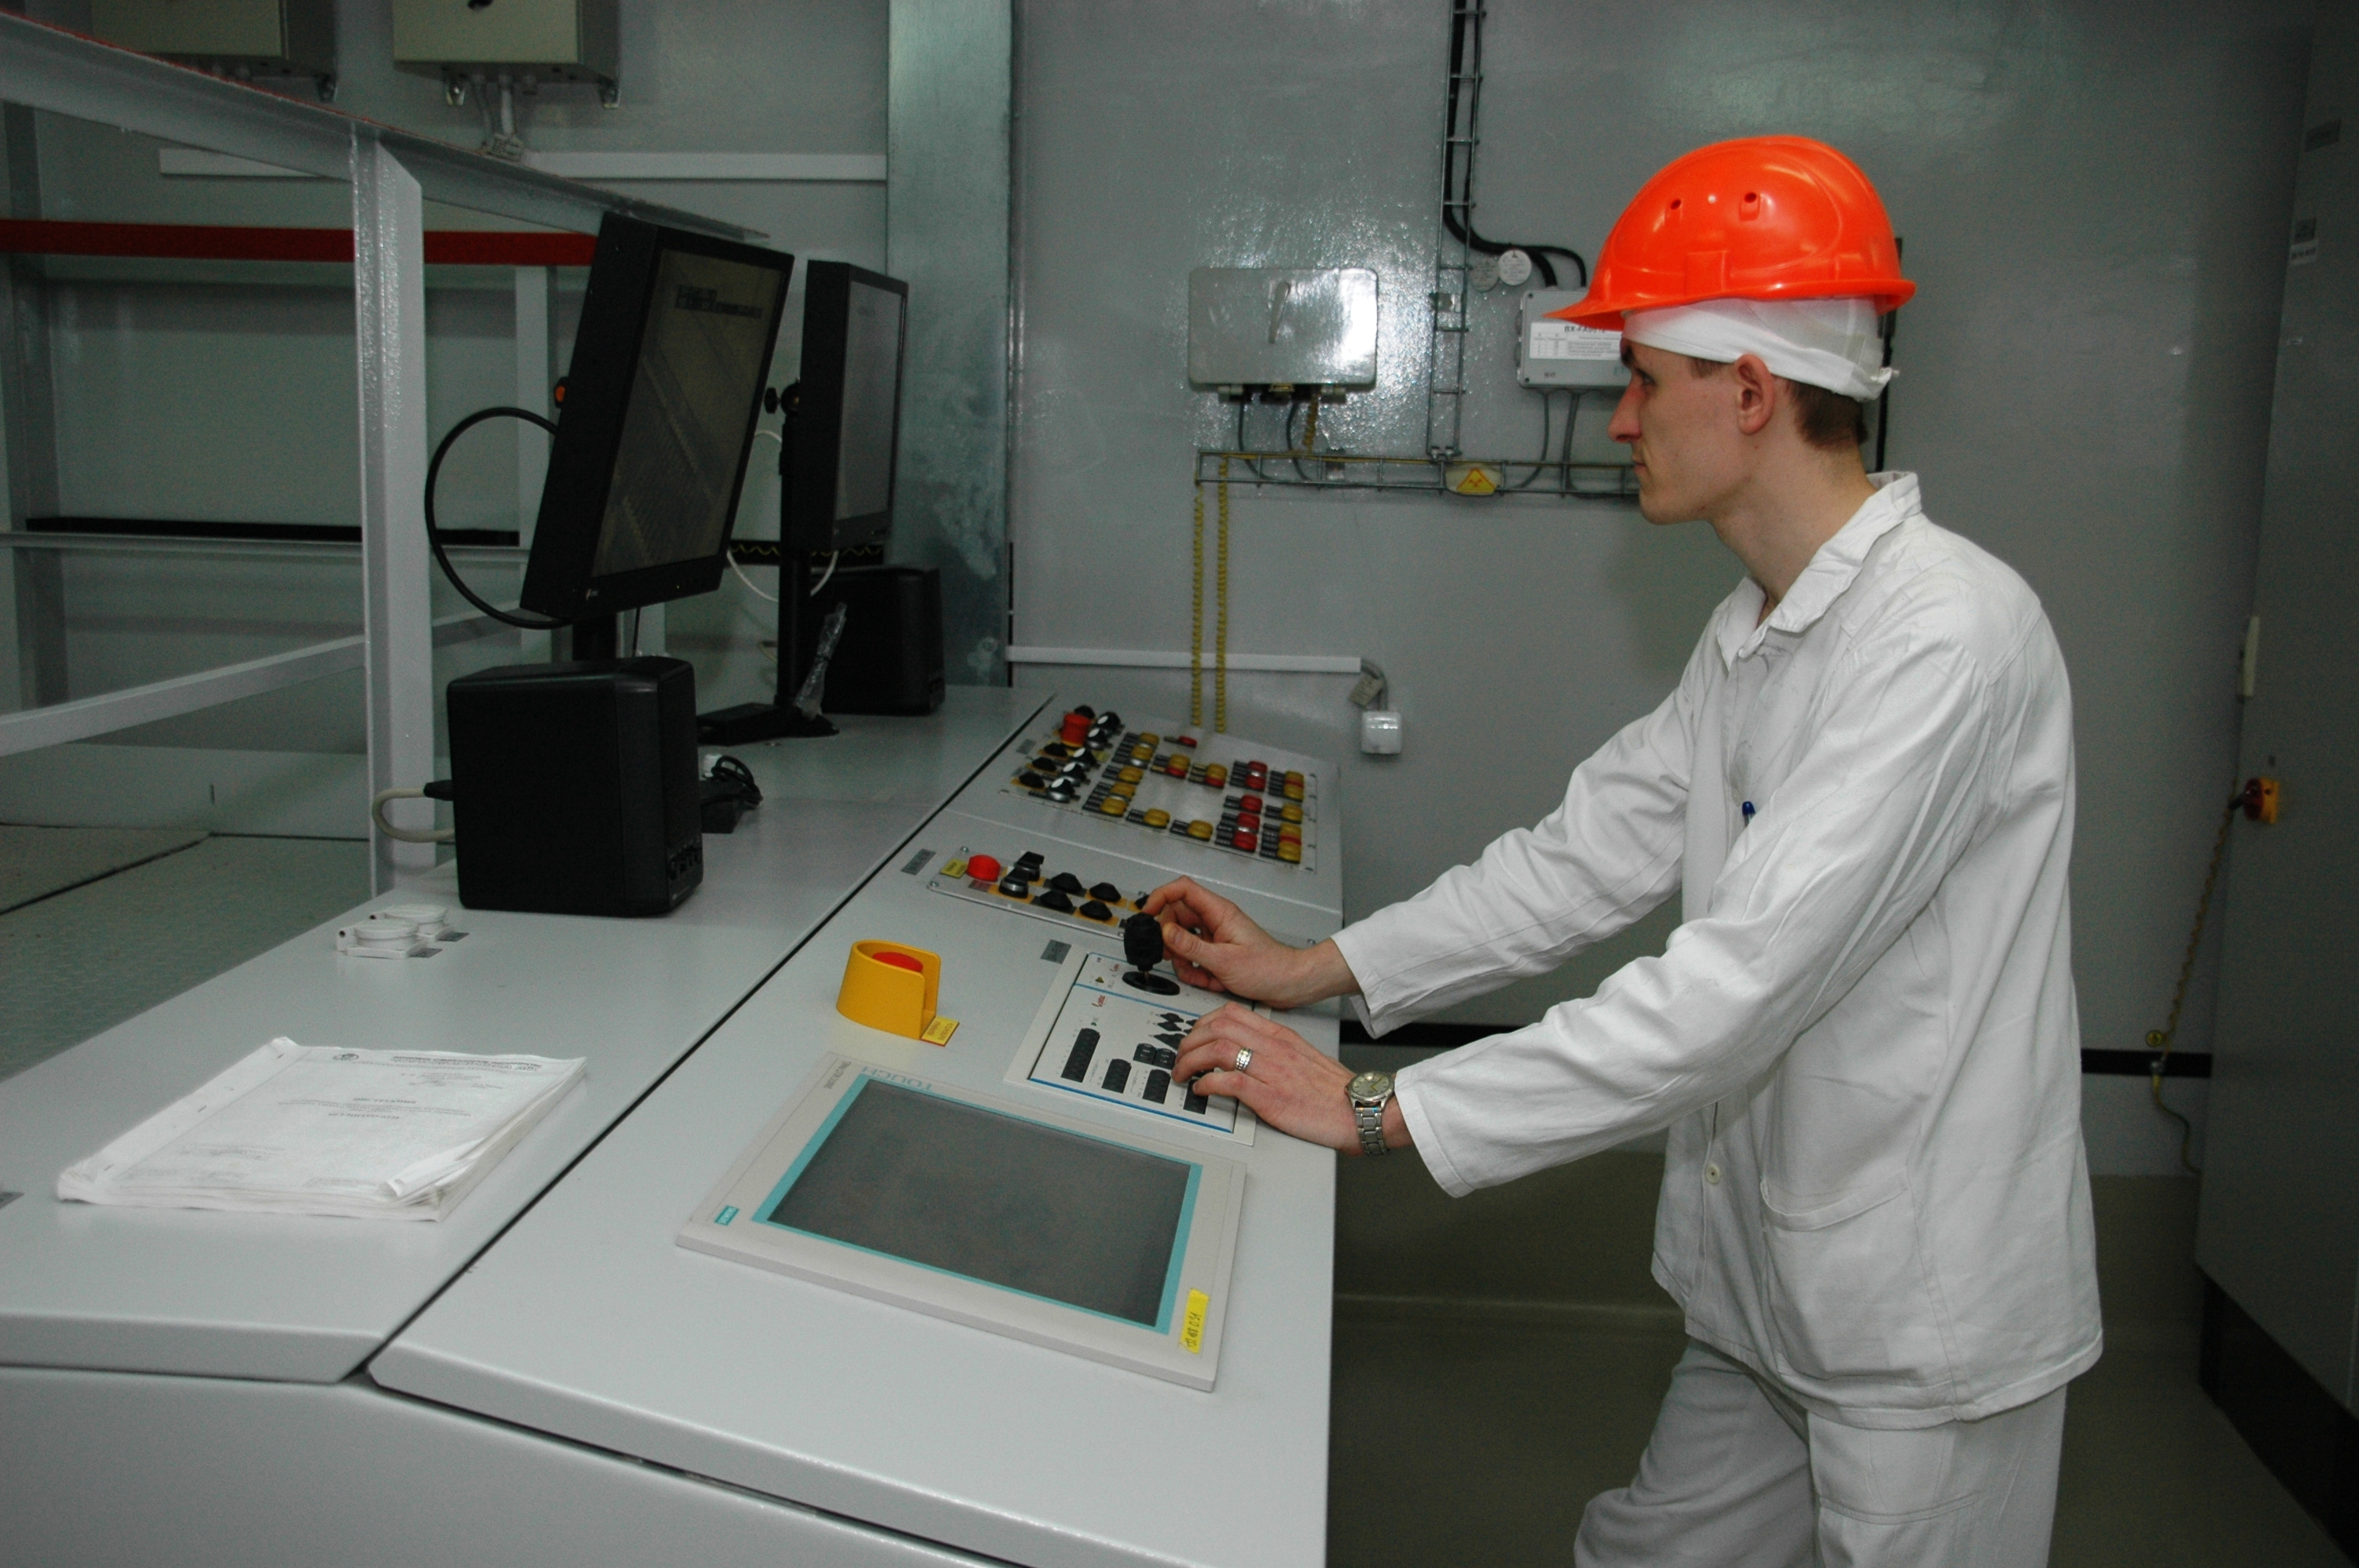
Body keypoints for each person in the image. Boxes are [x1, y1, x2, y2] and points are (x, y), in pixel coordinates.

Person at [1147, 136, 2098, 1566]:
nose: (1617, 422)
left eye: (1644, 381)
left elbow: (1735, 990)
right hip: (1766, 1279)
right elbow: (1581, 861)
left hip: (1917, 1321)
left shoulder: (1946, 639)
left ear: (1752, 392)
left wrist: (1379, 1108)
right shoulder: (1759, 626)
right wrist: (1312, 969)